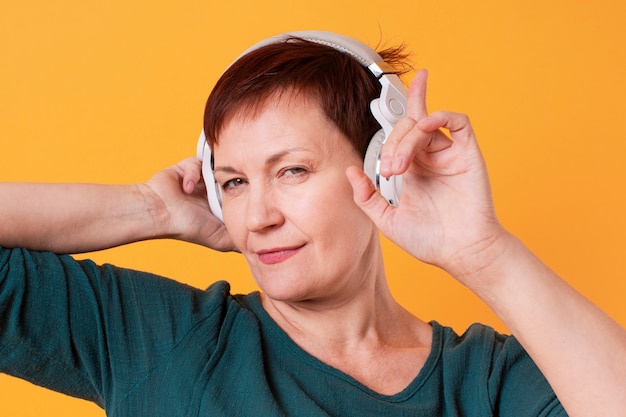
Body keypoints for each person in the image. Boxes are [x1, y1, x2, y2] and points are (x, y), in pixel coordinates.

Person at [1, 31, 625, 417]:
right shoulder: (158, 339)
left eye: (293, 171)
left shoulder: (487, 383)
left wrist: (484, 252)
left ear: (382, 169)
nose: (258, 217)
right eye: (235, 183)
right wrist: (150, 208)